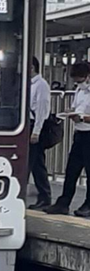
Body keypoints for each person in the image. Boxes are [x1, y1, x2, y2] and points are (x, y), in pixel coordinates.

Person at [44, 61, 90, 216]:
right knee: (71, 170)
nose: (78, 83)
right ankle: (63, 203)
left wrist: (82, 118)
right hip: (79, 133)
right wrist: (69, 112)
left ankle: (88, 205)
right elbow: (76, 107)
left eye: (80, 79)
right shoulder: (79, 90)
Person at [28, 56, 52, 210]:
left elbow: (42, 110)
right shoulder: (29, 84)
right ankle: (44, 196)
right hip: (29, 125)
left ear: (32, 67)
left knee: (35, 163)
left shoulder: (41, 85)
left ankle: (45, 196)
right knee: (36, 164)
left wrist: (36, 131)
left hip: (35, 127)